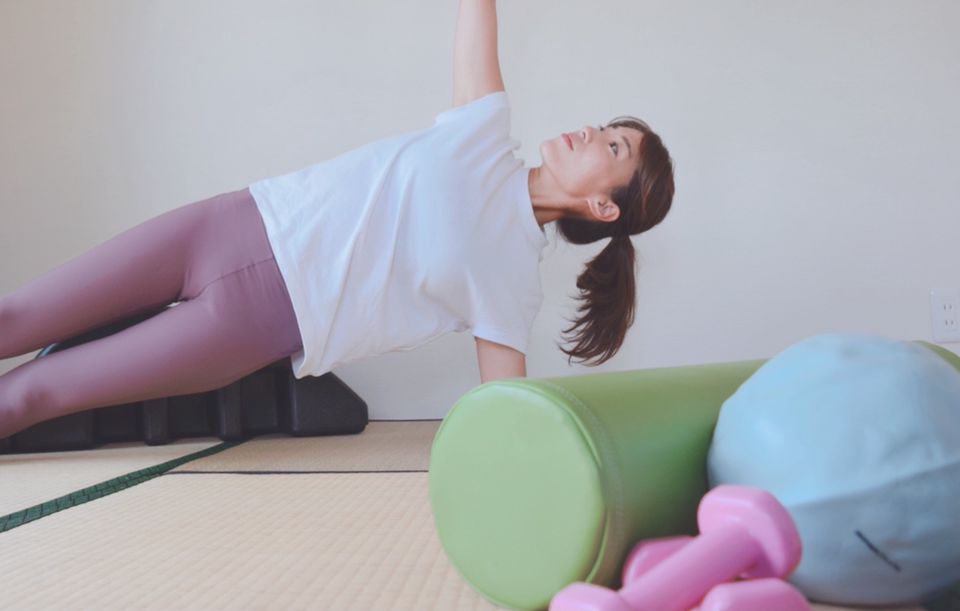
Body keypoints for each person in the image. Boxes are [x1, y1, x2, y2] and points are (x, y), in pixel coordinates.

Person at [0, 0, 674, 441]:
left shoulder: (512, 285)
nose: (593, 132)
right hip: (232, 224)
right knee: (16, 316)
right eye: (607, 127)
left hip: (254, 324)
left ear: (604, 207)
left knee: (37, 392)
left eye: (614, 147)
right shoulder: (483, 130)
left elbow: (507, 417)